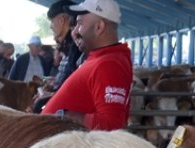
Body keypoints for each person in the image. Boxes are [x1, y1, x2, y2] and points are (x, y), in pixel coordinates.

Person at [41, 0, 132, 130]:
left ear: (98, 27)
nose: (74, 32)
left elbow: (112, 125)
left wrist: (63, 116)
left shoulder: (109, 65)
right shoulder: (100, 58)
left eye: (79, 24)